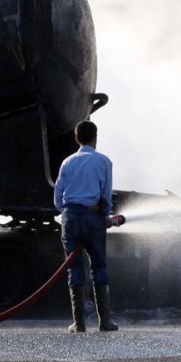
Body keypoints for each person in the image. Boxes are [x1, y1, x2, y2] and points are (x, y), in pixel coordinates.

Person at [53, 120, 118, 333]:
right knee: (98, 267)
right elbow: (106, 195)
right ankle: (105, 322)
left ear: (76, 139)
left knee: (74, 268)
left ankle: (79, 324)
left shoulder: (67, 162)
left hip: (70, 217)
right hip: (93, 218)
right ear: (95, 138)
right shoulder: (104, 161)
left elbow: (58, 197)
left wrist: (68, 213)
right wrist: (106, 216)